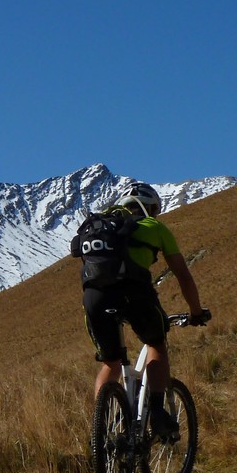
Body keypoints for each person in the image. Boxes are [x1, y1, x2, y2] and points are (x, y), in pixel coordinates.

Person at [80, 182, 209, 436]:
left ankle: (101, 431)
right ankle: (158, 414)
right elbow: (183, 274)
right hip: (134, 295)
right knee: (156, 343)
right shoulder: (154, 227)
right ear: (150, 208)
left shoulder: (98, 229)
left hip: (95, 299)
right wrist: (196, 311)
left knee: (111, 362)